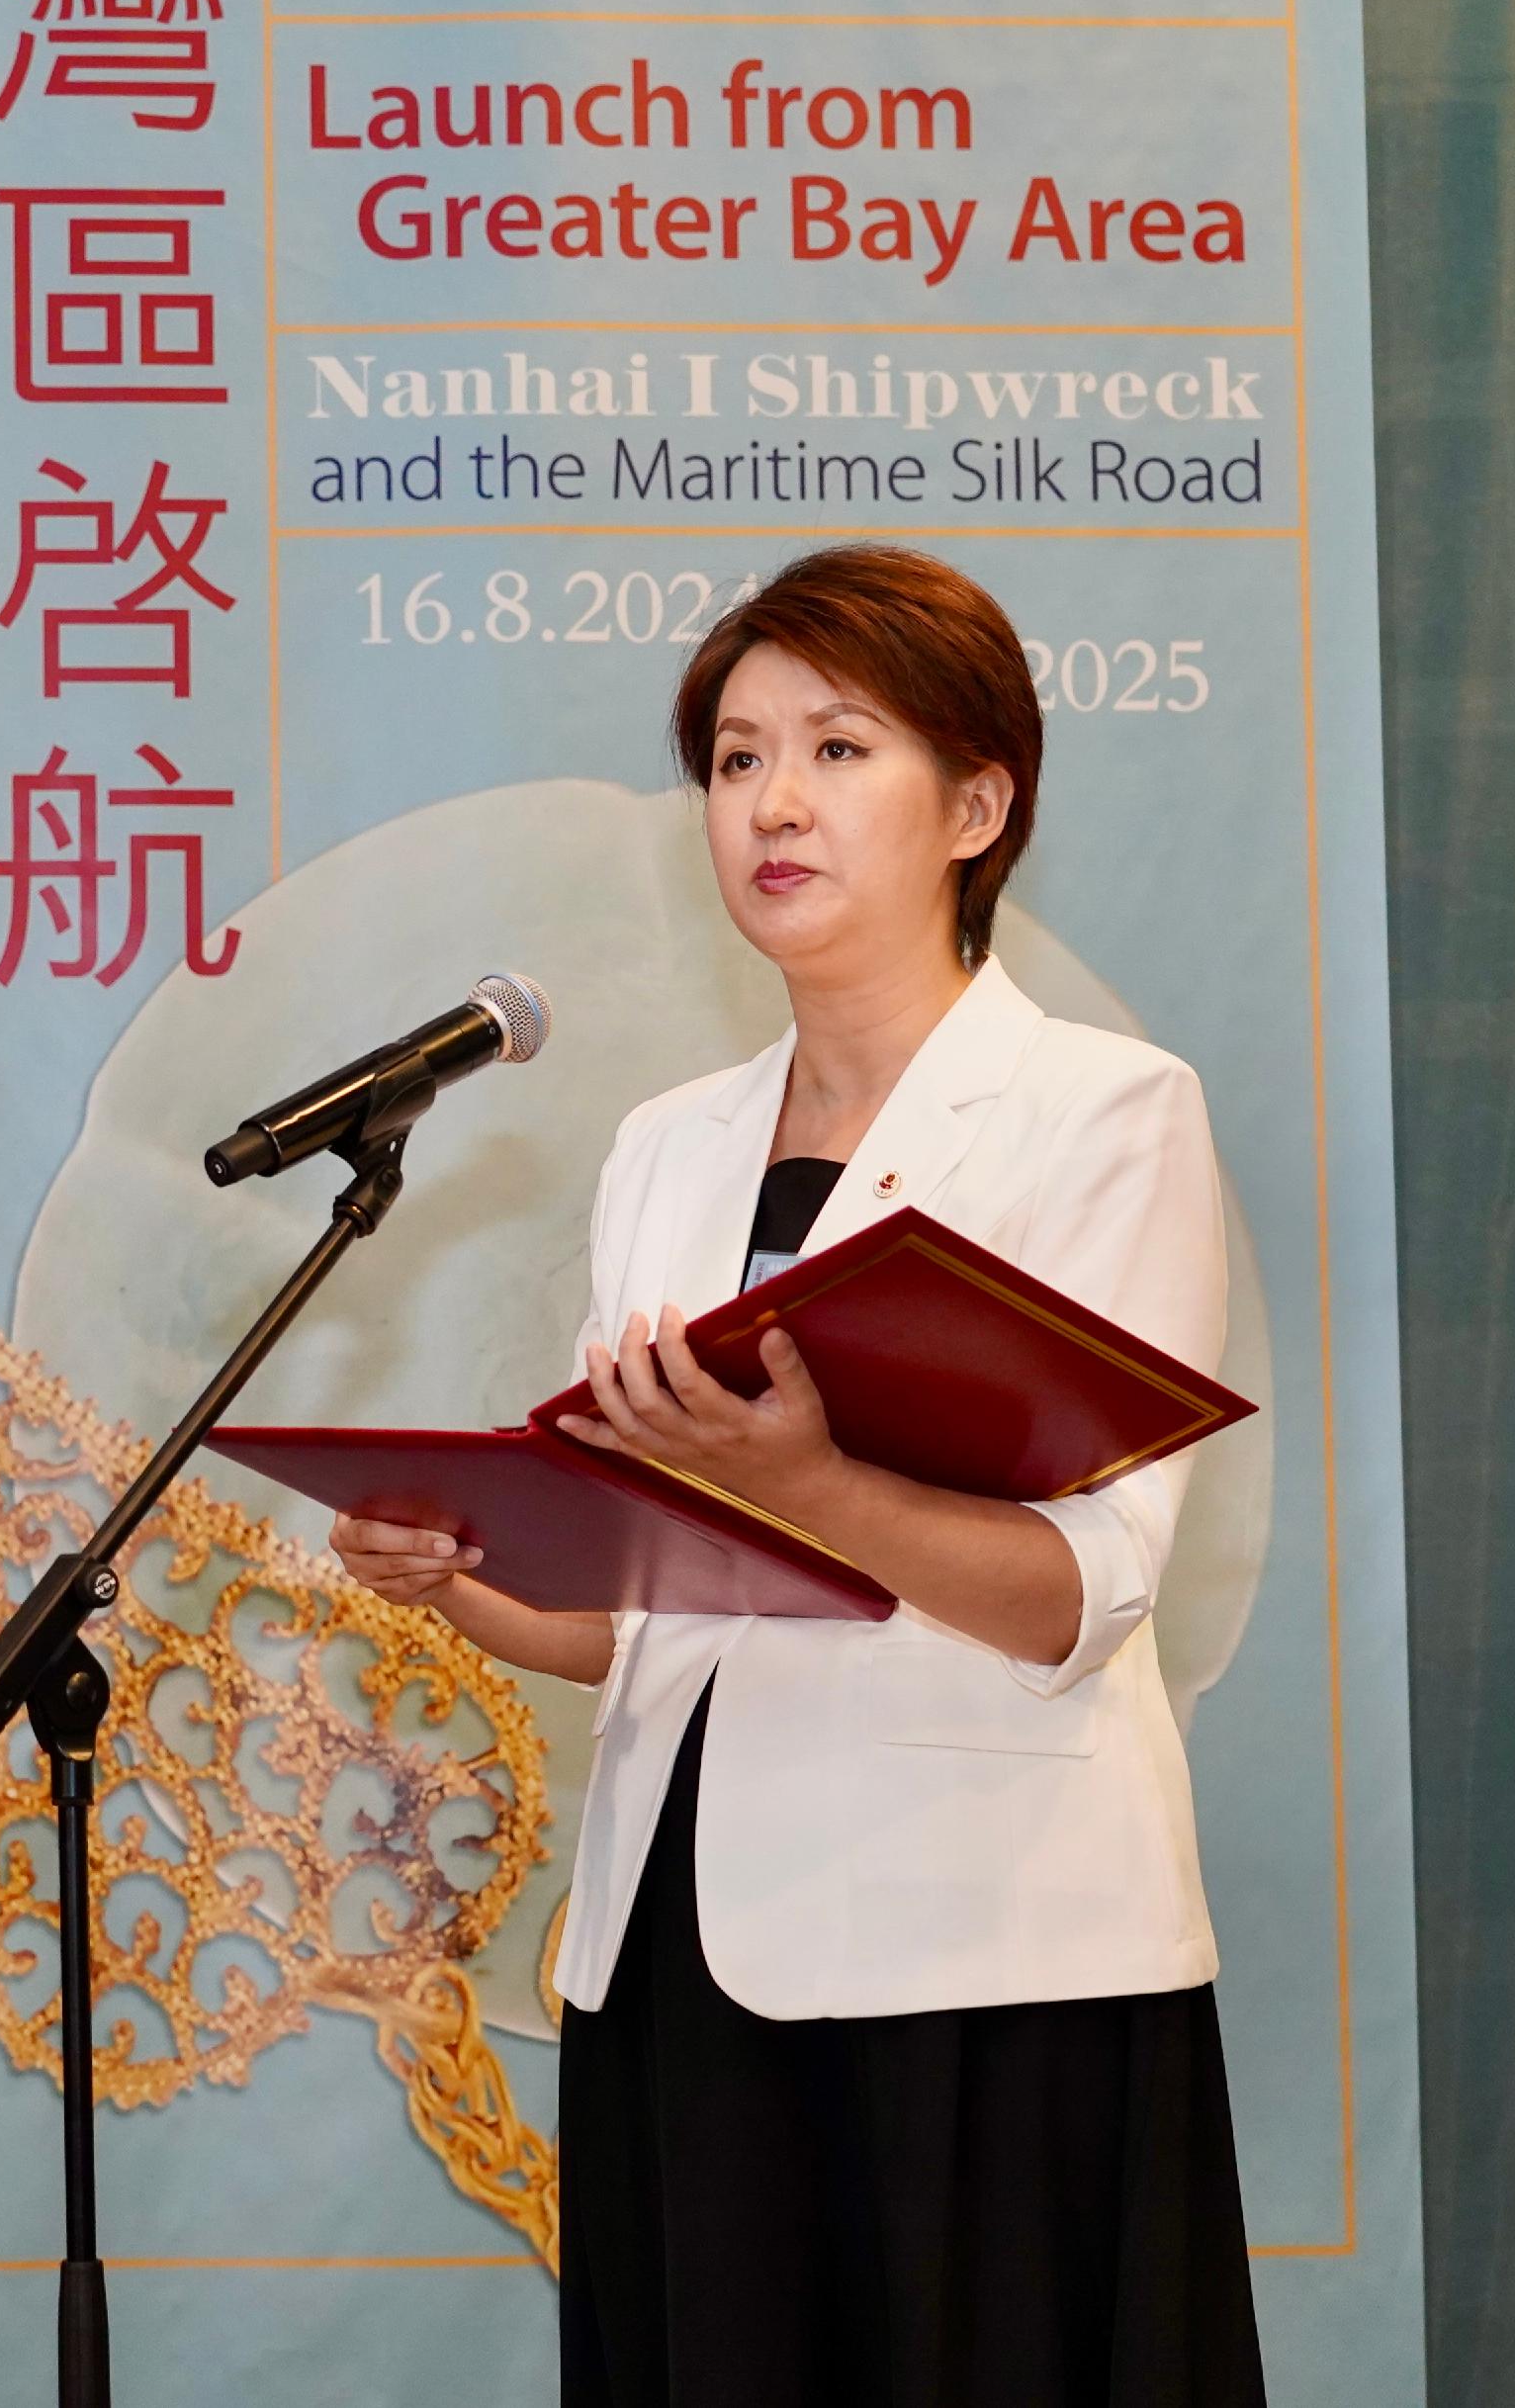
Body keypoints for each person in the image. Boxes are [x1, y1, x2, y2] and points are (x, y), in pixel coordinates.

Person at [329, 544, 1266, 2408]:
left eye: (839, 749)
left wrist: (816, 1485)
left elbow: (1084, 1597)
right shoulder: (664, 1148)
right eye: (738, 756)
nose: (772, 801)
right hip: (673, 1945)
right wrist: (466, 1574)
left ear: (976, 804)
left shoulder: (1106, 1113)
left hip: (983, 1955)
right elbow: (667, 1619)